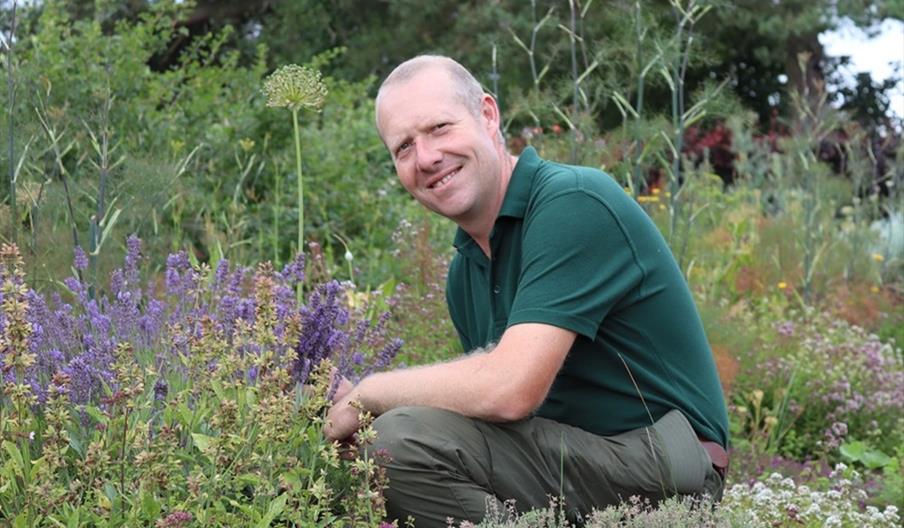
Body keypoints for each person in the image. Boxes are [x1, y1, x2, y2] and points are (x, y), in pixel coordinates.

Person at [324, 55, 729, 527]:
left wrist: (369, 395)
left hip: (664, 468)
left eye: (439, 127)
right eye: (404, 148)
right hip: (575, 465)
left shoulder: (572, 202)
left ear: (488, 115)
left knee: (397, 442)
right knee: (352, 461)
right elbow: (489, 425)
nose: (427, 157)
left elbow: (509, 389)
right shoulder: (465, 273)